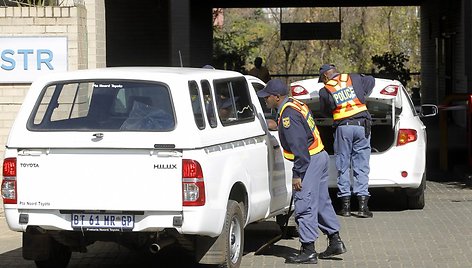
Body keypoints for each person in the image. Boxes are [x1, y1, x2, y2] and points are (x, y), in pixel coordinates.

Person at [257, 79, 346, 264]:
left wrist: (297, 174)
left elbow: (299, 147)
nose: (265, 100)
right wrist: (277, 125)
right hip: (319, 156)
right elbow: (301, 130)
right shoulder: (294, 105)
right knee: (321, 201)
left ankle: (308, 250)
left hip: (308, 161)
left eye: (267, 97)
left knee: (304, 203)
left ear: (277, 97)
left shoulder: (289, 115)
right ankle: (335, 240)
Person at [318, 64, 375, 218]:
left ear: (325, 77)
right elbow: (371, 80)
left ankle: (346, 207)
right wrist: (361, 93)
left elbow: (324, 111)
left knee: (343, 165)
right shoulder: (354, 78)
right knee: (361, 166)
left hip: (343, 128)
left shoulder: (325, 90)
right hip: (362, 126)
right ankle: (363, 207)